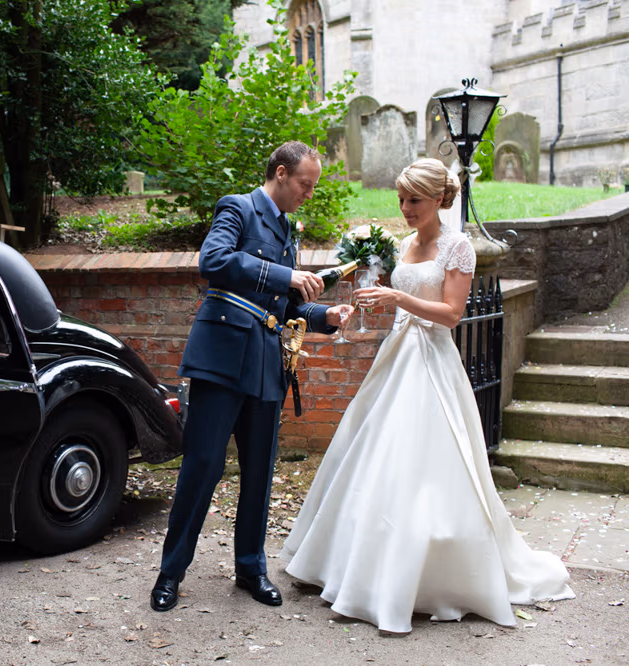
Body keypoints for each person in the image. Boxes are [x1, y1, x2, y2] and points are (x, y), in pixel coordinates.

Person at [279, 158, 574, 633]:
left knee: (426, 464)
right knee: (373, 453)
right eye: (401, 199)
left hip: (432, 363)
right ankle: (358, 565)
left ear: (439, 197)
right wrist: (369, 301)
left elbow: (453, 314)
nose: (405, 208)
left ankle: (428, 572)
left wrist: (399, 300)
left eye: (414, 199)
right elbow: (394, 298)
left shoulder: (458, 247)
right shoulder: (402, 244)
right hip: (395, 357)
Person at [151, 141, 353, 612]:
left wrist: (326, 316)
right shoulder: (238, 209)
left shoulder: (288, 230)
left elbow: (287, 307)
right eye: (305, 184)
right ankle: (170, 574)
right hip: (221, 359)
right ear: (281, 174)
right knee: (203, 467)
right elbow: (213, 262)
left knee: (260, 472)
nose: (308, 193)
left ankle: (251, 569)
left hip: (266, 365)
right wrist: (284, 277)